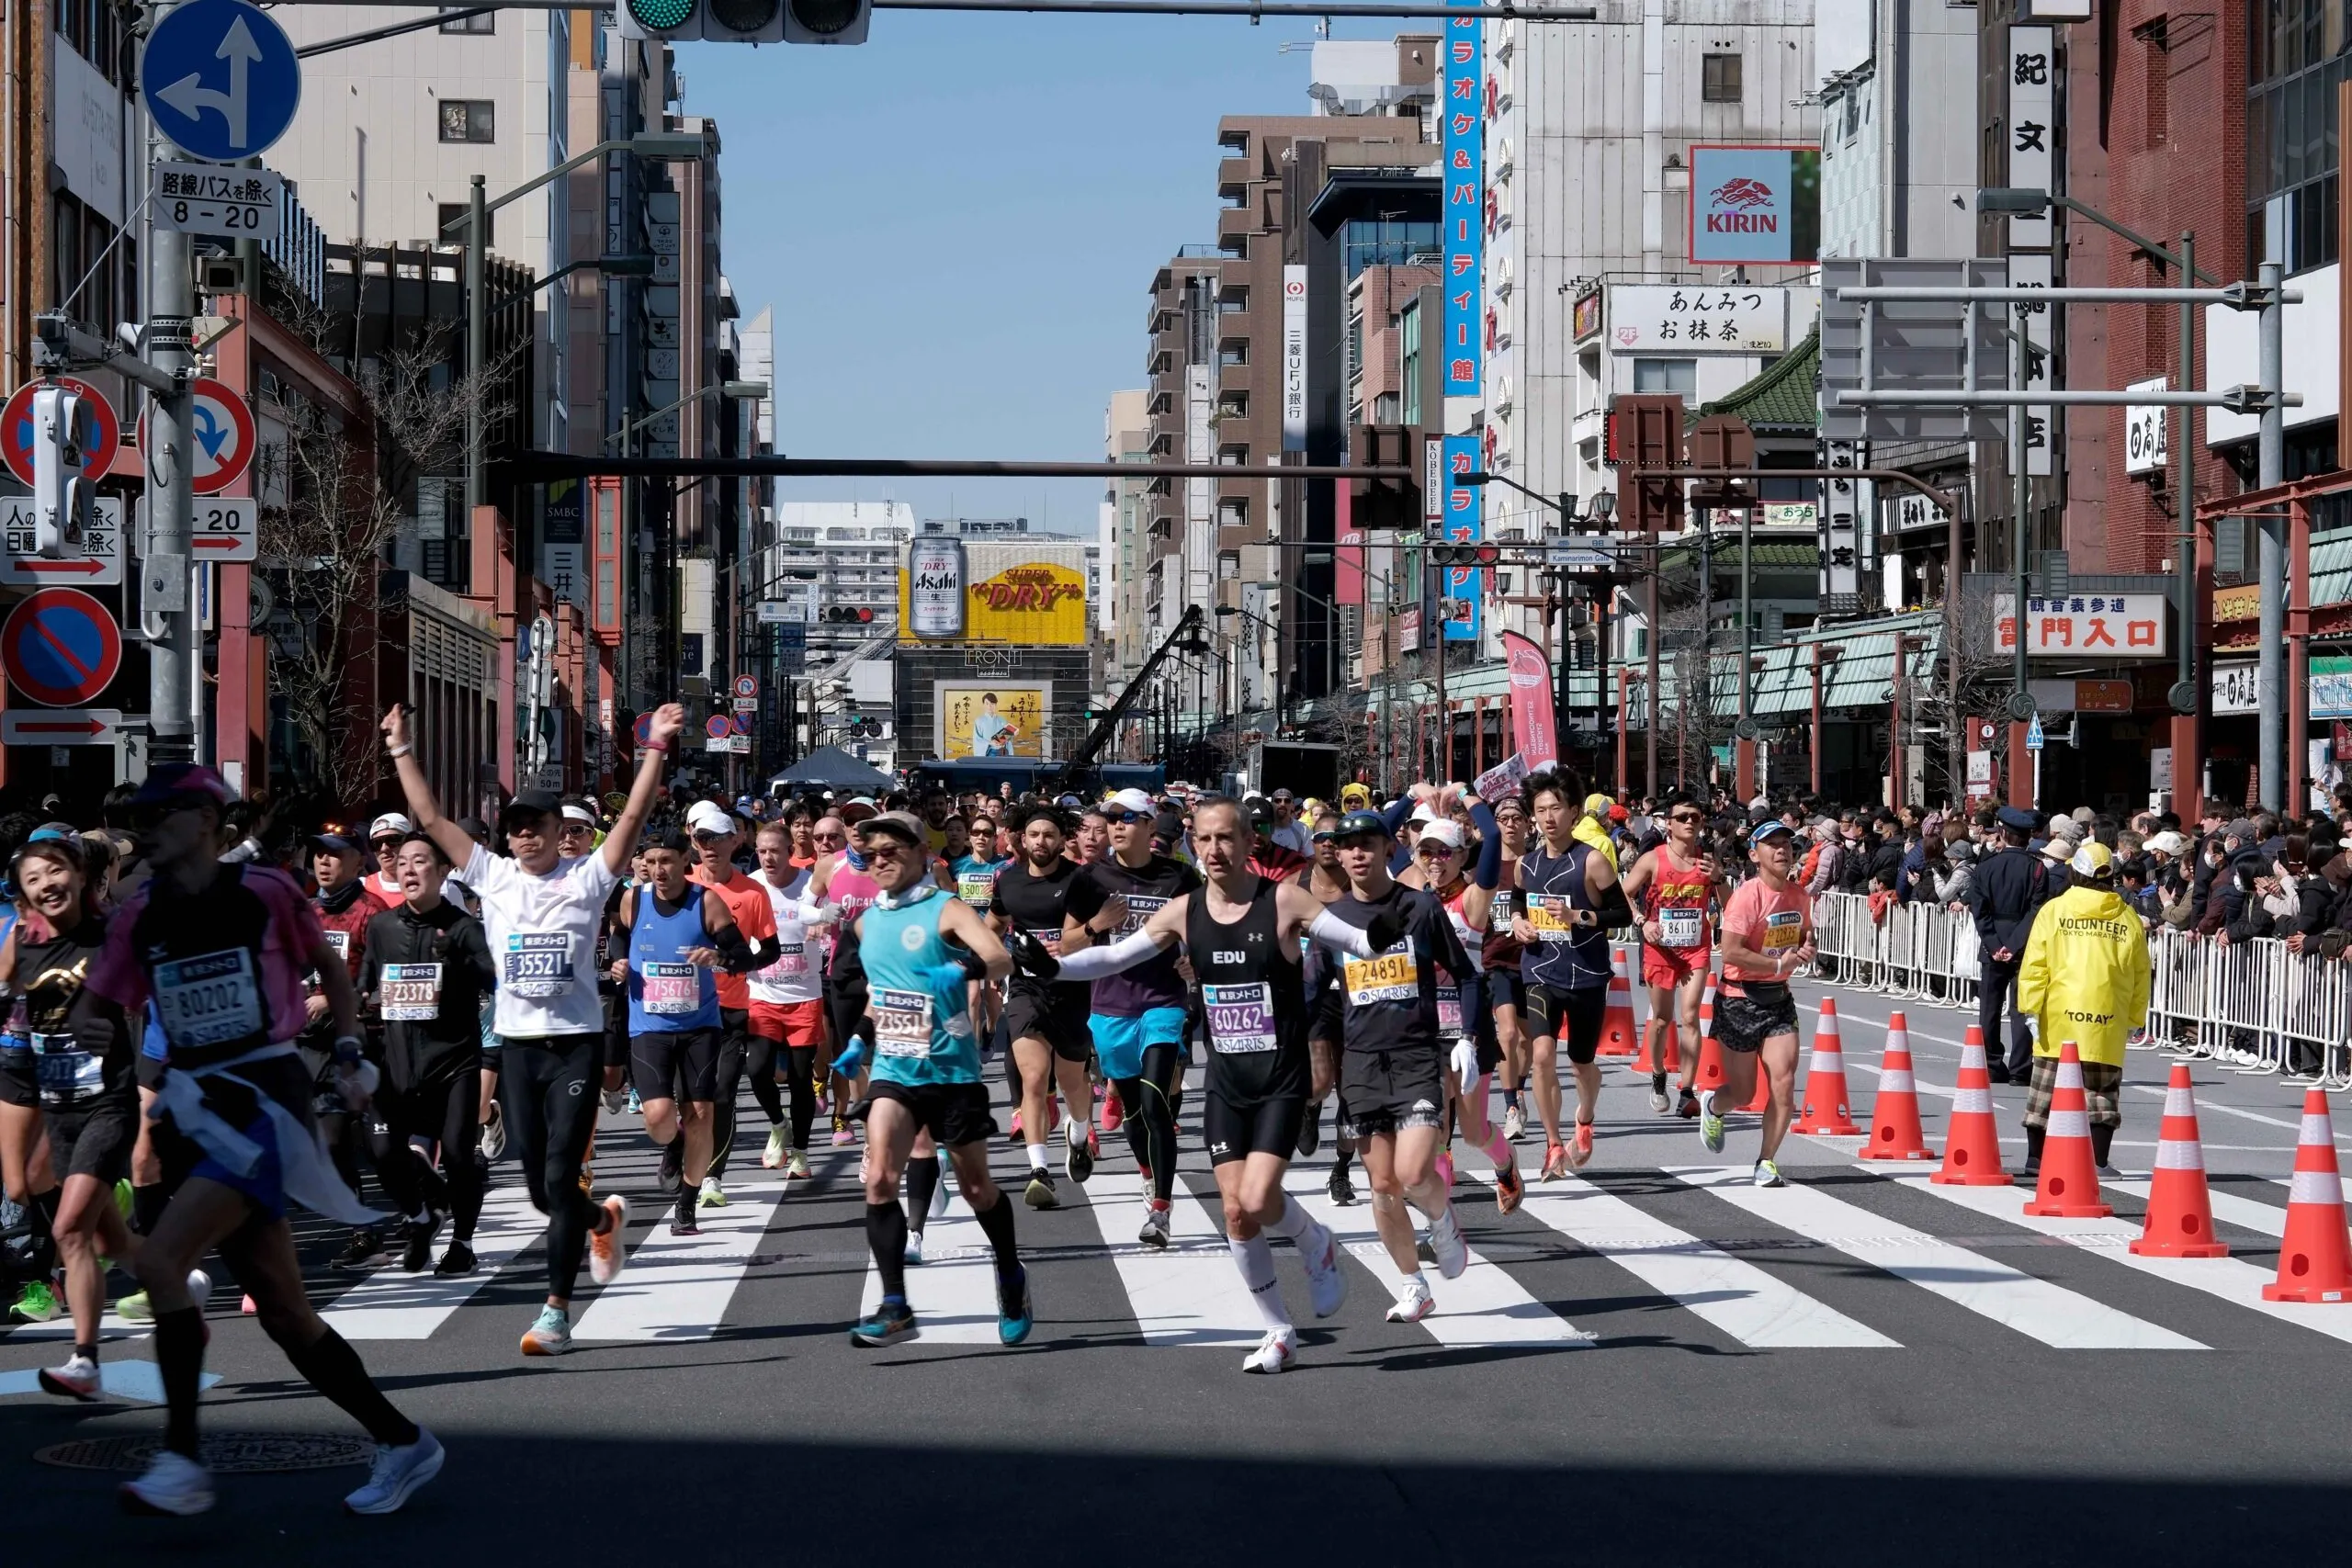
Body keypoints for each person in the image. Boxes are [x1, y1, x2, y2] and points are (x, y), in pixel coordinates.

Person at [94, 763, 442, 1517]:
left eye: (162, 815)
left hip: (264, 1102)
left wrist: (347, 1046)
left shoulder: (266, 890)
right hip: (191, 1108)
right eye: (139, 819)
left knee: (160, 1262)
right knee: (286, 1313)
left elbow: (331, 970)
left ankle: (182, 1459)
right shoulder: (139, 910)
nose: (146, 830)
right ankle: (403, 1437)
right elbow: (105, 1008)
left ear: (206, 822)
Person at [1023, 796, 1368, 1371]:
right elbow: (1114, 958)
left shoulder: (1282, 899)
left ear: (1250, 841)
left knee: (1257, 1199)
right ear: (1191, 843)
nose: (1214, 850)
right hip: (1226, 1082)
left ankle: (1315, 1243)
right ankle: (1279, 1329)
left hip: (1280, 1078)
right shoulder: (1183, 911)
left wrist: (1384, 932)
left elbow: (1354, 939)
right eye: (1203, 839)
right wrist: (1053, 965)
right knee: (1235, 1212)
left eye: (1226, 837)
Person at [381, 700, 682, 1357]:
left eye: (536, 826)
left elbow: (632, 818)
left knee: (563, 1172)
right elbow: (430, 818)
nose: (525, 836)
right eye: (515, 828)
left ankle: (556, 1313)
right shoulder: (491, 875)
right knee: (544, 1192)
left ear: (558, 830)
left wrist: (656, 746)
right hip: (517, 1049)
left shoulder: (589, 877)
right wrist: (401, 748)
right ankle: (601, 1219)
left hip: (574, 1047)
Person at [838, 811, 1032, 1348]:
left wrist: (959, 970)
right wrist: (858, 1038)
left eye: (892, 851)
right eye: (872, 854)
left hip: (951, 1072)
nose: (881, 861)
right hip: (894, 1070)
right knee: (880, 1179)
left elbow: (999, 959)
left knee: (976, 1188)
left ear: (922, 854)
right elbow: (883, 994)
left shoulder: (946, 908)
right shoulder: (866, 923)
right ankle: (895, 1306)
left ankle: (1010, 1274)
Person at [1310, 807, 1476, 1324]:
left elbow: (1467, 975)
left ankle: (1442, 1222)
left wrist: (1467, 1038)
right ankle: (1413, 1285)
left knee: (1413, 1172)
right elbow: (1312, 996)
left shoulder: (1418, 907)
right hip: (1361, 1065)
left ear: (1389, 850)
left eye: (1367, 843)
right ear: (1338, 856)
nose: (1357, 853)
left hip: (1416, 1057)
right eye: (1347, 845)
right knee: (1382, 1184)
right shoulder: (1330, 919)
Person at [3, 830, 143, 1397]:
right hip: (56, 1105)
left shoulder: (112, 933)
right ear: (23, 895)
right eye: (33, 878)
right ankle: (174, 1281)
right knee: (109, 1243)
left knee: (69, 1230)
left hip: (108, 1101)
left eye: (56, 871)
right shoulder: (22, 942)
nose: (47, 884)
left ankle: (85, 1362)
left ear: (83, 877)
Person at [1069, 786, 1203, 1247]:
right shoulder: (1091, 878)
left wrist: (1194, 960)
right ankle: (1148, 1174)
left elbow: (1203, 930)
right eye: (1112, 818)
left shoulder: (1179, 877)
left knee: (1154, 1100)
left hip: (1163, 1001)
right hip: (1110, 1008)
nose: (1117, 826)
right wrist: (1097, 925)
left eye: (1128, 817)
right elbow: (1066, 943)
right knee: (1132, 1110)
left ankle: (1161, 1210)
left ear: (1150, 825)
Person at [358, 832, 496, 1274]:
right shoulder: (382, 926)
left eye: (420, 862)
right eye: (403, 862)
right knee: (382, 1151)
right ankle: (423, 1215)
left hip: (454, 1062)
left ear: (442, 872)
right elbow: (366, 980)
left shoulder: (464, 927)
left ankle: (462, 1244)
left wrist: (459, 959)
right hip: (398, 1064)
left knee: (456, 1154)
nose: (409, 869)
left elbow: (495, 979)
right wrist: (359, 998)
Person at [613, 827, 758, 1235]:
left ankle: (687, 1205)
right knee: (659, 1117)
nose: (658, 870)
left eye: (666, 861)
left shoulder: (706, 902)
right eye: (651, 862)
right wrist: (619, 962)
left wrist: (718, 957)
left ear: (684, 861)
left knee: (701, 1115)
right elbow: (619, 937)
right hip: (649, 1026)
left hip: (700, 1027)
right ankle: (674, 1144)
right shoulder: (634, 900)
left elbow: (744, 957)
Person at [1512, 777, 1632, 1178]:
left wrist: (1579, 916)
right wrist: (1517, 921)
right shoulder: (1526, 863)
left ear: (1574, 813)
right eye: (1541, 810)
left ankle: (1585, 1116)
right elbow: (1518, 898)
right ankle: (1552, 1144)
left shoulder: (1591, 860)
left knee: (1582, 1064)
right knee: (1542, 1055)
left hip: (1586, 974)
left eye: (1556, 808)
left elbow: (1622, 913)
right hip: (1539, 970)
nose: (1548, 817)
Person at [988, 805, 1103, 1208]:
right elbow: (992, 924)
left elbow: (1088, 934)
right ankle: (1039, 1171)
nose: (1041, 841)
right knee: (1034, 1078)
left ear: (1061, 839)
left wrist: (1078, 939)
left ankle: (1079, 1134)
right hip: (1025, 990)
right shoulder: (1009, 880)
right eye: (1034, 834)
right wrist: (988, 959)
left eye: (1049, 835)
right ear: (1022, 838)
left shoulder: (1079, 880)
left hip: (1071, 990)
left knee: (1073, 1083)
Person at [2016, 841, 2151, 1176]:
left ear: (2075, 872)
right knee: (2102, 1091)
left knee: (2045, 1088)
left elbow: (2035, 965)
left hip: (2058, 1013)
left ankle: (2036, 1159)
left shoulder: (2055, 910)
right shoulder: (2128, 918)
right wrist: (2134, 1018)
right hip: (2107, 1016)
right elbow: (2140, 975)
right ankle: (2098, 1160)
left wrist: (2029, 1007)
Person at [1699, 821, 1815, 1187]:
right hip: (1739, 999)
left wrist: (1807, 947)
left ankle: (1766, 1161)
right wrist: (1776, 964)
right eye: (1772, 845)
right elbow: (1731, 951)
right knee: (1743, 1092)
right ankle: (1714, 1106)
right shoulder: (1747, 896)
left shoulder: (1799, 896)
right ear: (1754, 855)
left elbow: (1804, 934)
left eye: (1786, 845)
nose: (1782, 850)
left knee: (1784, 1083)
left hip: (1778, 1000)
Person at [683, 801, 782, 1207]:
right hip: (684, 1009)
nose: (709, 846)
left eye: (717, 838)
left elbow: (772, 950)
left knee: (722, 1094)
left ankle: (712, 1176)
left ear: (734, 841)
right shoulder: (680, 885)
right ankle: (681, 1155)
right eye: (702, 838)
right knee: (689, 1099)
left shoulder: (753, 892)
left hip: (732, 1009)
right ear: (693, 842)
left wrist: (736, 964)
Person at [305, 821, 389, 1273]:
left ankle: (424, 1204)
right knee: (331, 1138)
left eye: (335, 853)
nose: (324, 861)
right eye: (319, 852)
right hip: (319, 1048)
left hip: (370, 1042)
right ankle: (363, 1231)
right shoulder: (304, 913)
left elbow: (388, 983)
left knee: (384, 1149)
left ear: (359, 862)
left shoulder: (373, 914)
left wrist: (338, 999)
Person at [1620, 790, 1725, 1121]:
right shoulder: (1653, 858)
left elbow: (1729, 902)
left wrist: (1719, 878)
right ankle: (1658, 1074)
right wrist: (1642, 922)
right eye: (1682, 817)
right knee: (1662, 1020)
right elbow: (1623, 893)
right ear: (1669, 823)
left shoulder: (1707, 860)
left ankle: (1687, 1091)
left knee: (1691, 1016)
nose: (1689, 822)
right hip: (1659, 949)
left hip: (1695, 948)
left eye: (1695, 817)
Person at [746, 820, 831, 1179]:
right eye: (762, 851)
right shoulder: (751, 885)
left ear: (790, 853)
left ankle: (801, 1153)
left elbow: (830, 919)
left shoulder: (810, 886)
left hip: (804, 996)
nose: (768, 858)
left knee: (799, 1079)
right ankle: (779, 1125)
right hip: (762, 994)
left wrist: (824, 925)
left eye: (775, 851)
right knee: (756, 1069)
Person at [1967, 806, 2050, 1085]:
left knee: (1989, 1007)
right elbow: (2036, 911)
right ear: (2028, 837)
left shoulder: (1986, 867)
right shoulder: (2037, 869)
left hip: (1993, 942)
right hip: (2024, 944)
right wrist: (2014, 945)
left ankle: (1991, 1064)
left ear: (2002, 833)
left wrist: (1994, 944)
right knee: (2022, 1007)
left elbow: (1979, 911)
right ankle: (2021, 1067)